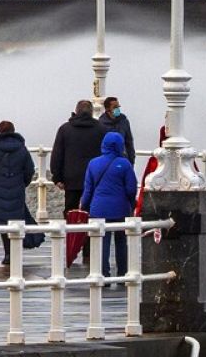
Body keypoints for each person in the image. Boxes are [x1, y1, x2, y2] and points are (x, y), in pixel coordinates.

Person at [80, 131, 139, 280]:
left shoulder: (93, 163)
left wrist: (84, 207)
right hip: (120, 209)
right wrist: (132, 205)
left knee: (102, 242)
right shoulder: (124, 164)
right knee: (121, 242)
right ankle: (123, 274)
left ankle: (103, 275)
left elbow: (88, 190)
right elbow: (131, 189)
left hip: (98, 209)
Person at [0, 120, 36, 267]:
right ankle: (15, 253)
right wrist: (22, 183)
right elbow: (30, 170)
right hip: (17, 189)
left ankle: (8, 254)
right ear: (13, 130)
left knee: (3, 224)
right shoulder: (22, 149)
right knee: (16, 222)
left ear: (0, 131)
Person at [51, 100, 108, 217]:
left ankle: (72, 234)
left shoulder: (65, 129)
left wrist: (57, 177)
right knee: (92, 211)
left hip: (71, 178)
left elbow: (57, 154)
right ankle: (90, 235)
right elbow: (106, 154)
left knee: (71, 211)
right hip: (95, 177)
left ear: (76, 111)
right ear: (91, 112)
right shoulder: (101, 129)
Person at [98, 97, 135, 162]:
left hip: (123, 158)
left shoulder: (124, 121)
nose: (117, 109)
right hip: (107, 160)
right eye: (115, 107)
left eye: (118, 107)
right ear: (107, 109)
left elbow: (129, 141)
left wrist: (131, 159)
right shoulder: (101, 124)